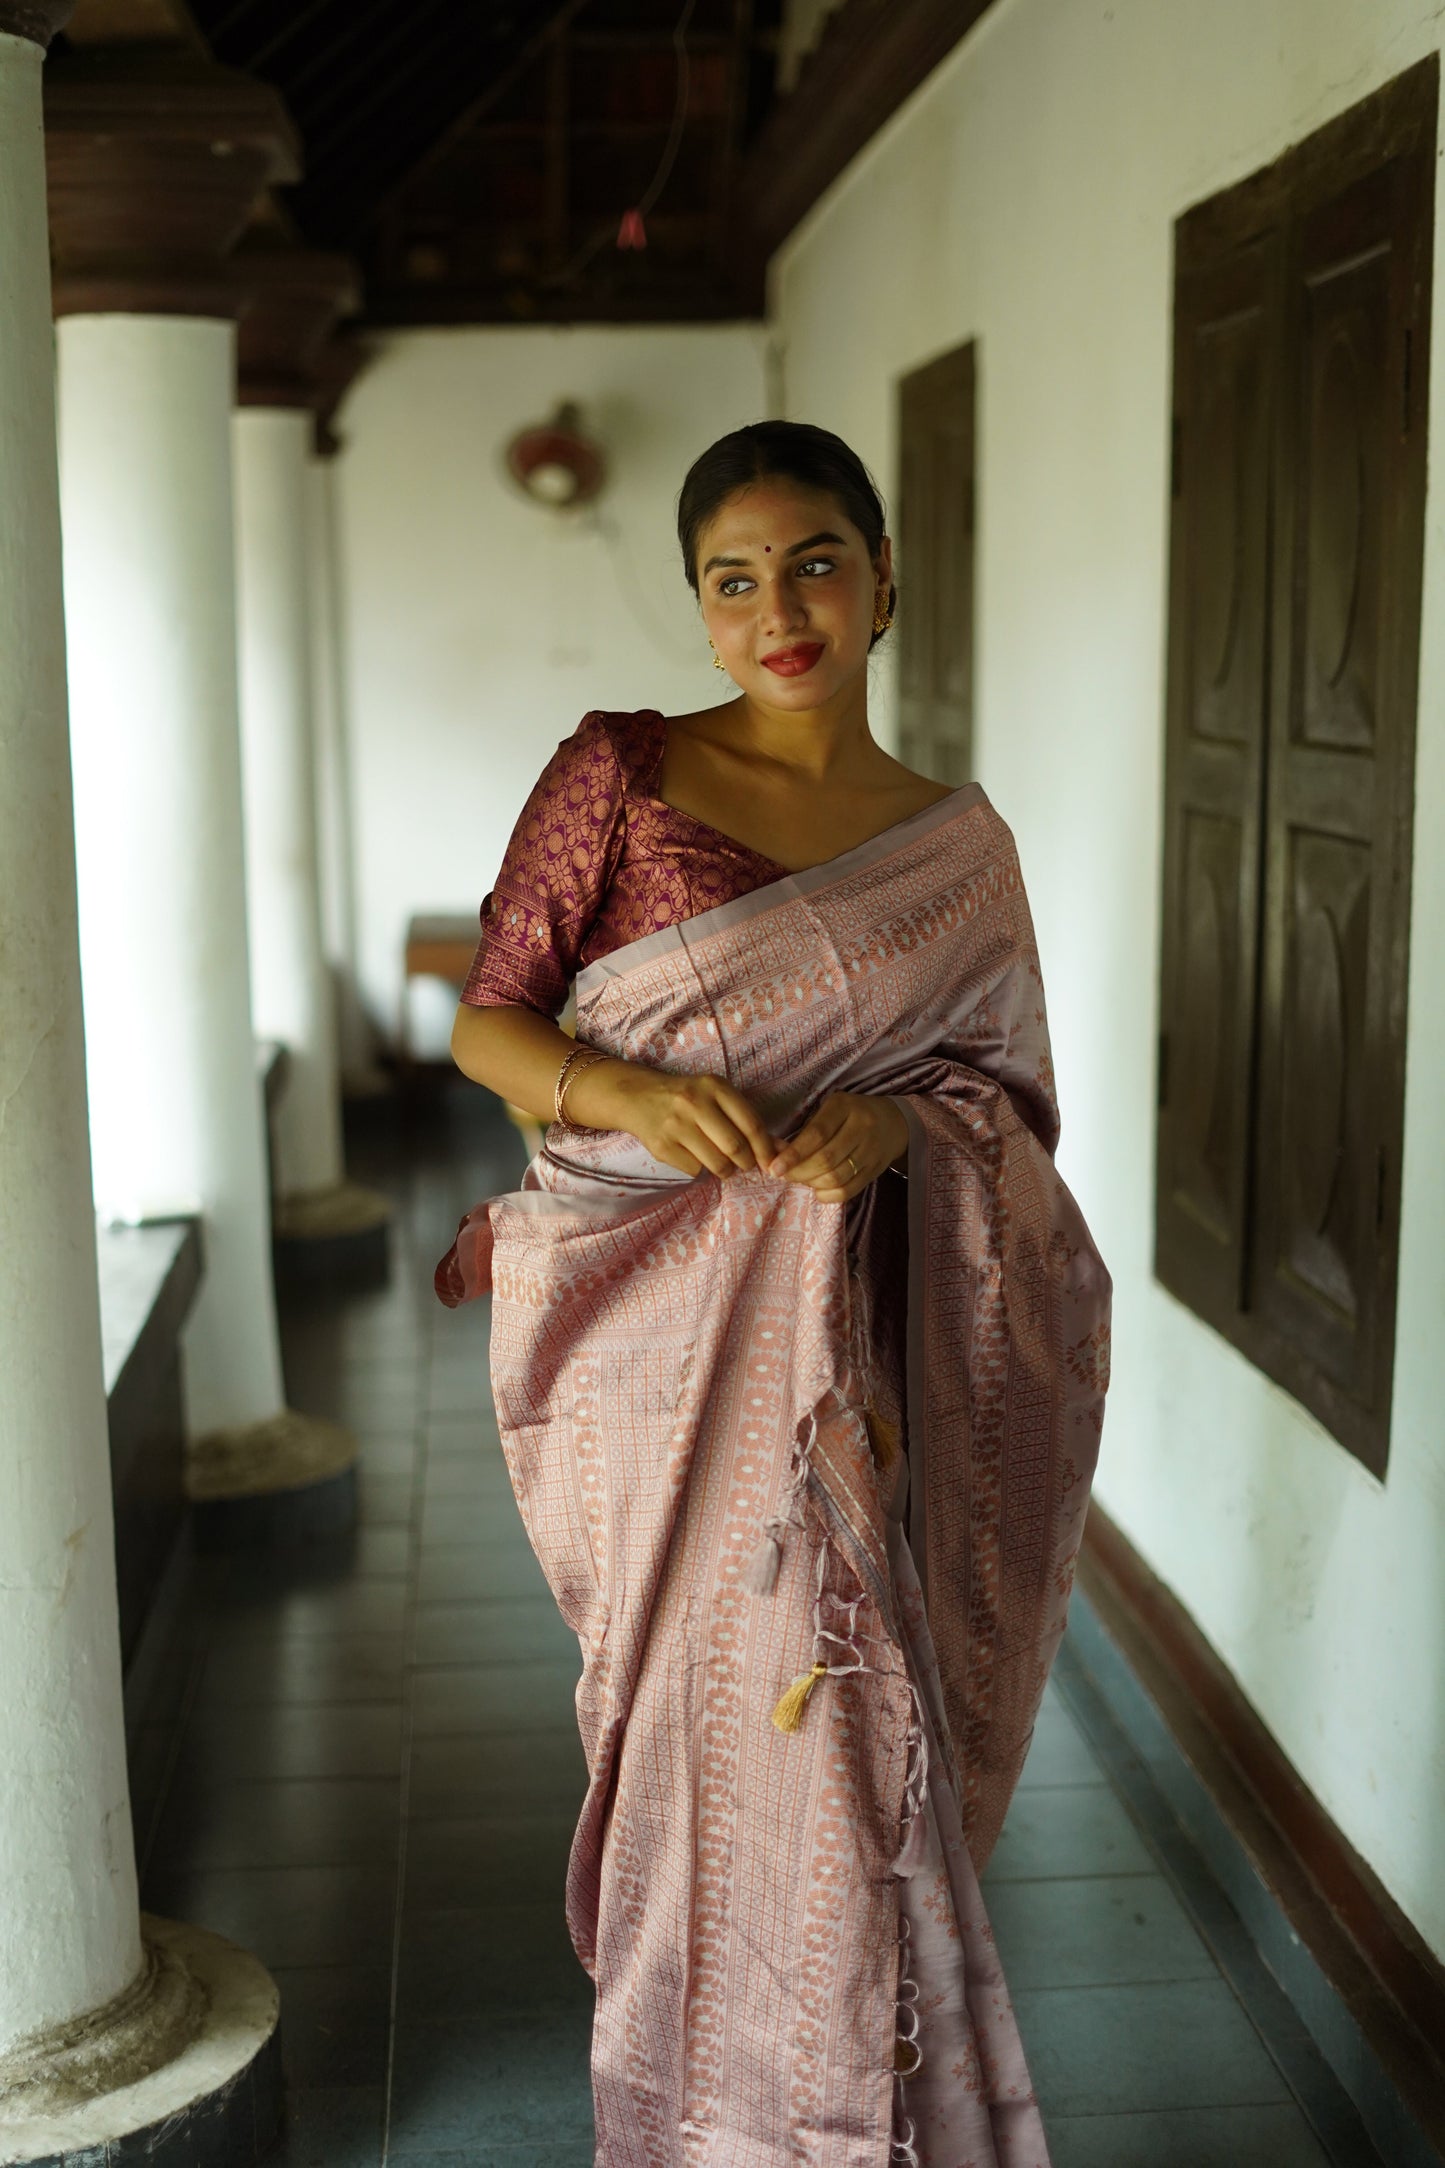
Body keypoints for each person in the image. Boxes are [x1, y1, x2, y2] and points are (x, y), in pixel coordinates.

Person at [439, 420, 1112, 2167]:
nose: (777, 608)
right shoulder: (622, 770)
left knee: (835, 1723)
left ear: (883, 577)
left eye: (813, 560)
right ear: (699, 607)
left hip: (857, 1371)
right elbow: (489, 1019)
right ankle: (702, 2118)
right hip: (644, 1347)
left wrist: (897, 1125)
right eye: (731, 580)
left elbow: (1007, 1113)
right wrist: (628, 1095)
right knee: (693, 1731)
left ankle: (859, 2111)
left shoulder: (951, 851)